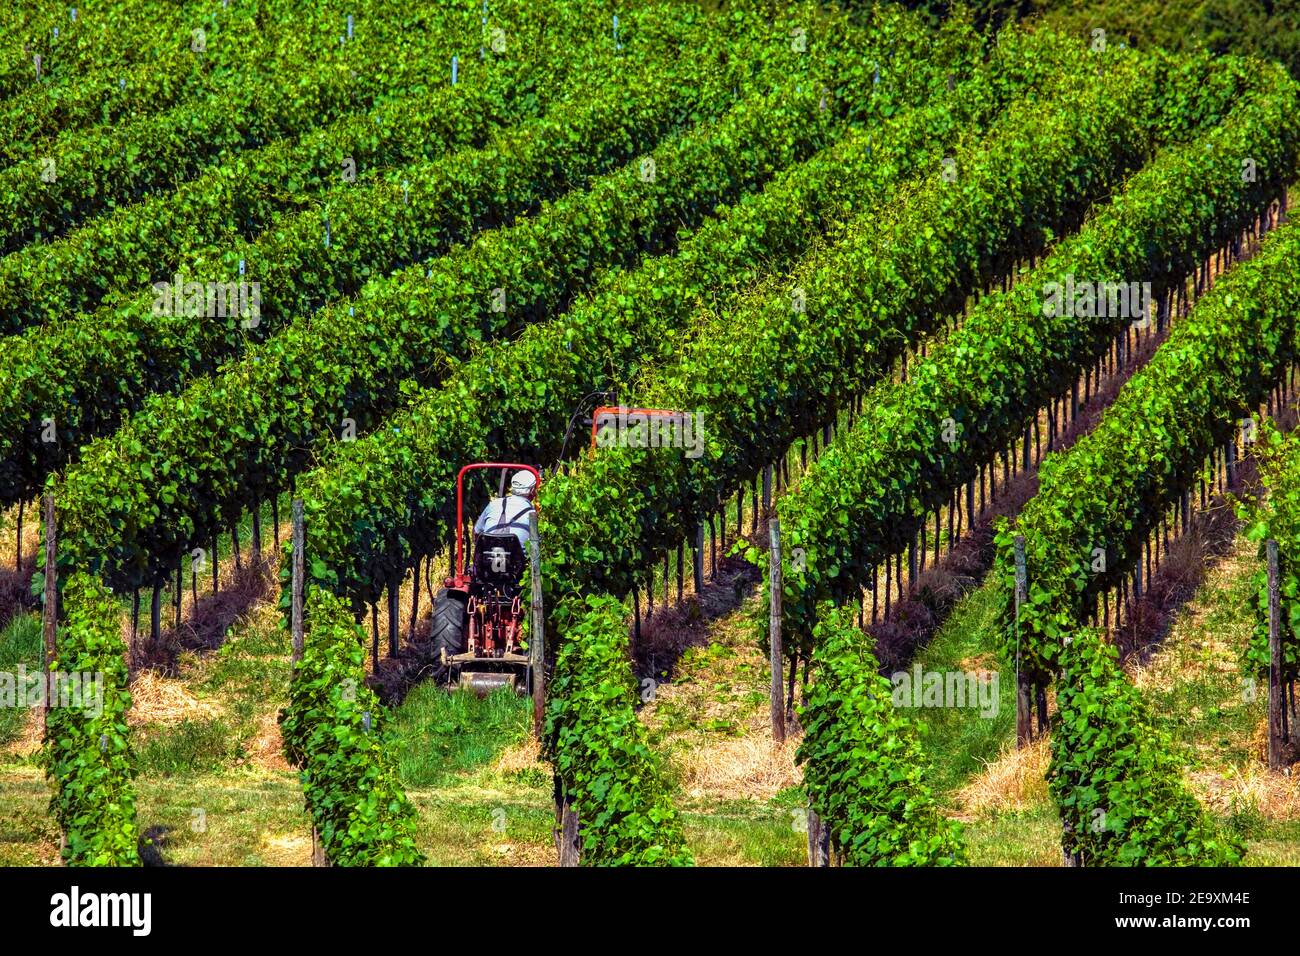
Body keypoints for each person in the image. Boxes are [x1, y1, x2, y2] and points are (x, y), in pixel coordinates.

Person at [474, 470, 537, 549]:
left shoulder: (493, 504)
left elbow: (477, 532)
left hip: (487, 559)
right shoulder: (532, 513)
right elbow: (535, 547)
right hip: (518, 560)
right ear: (532, 490)